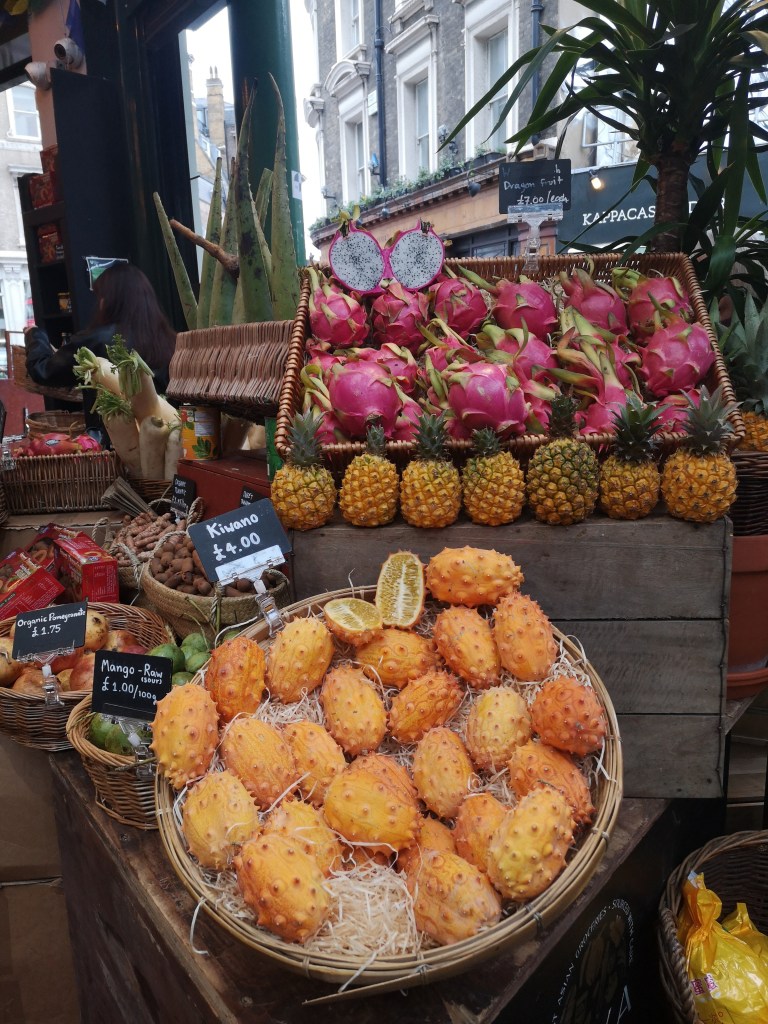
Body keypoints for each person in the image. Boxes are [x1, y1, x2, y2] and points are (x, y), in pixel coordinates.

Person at [24, 262, 176, 394]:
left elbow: (44, 371)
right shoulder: (171, 340)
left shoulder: (96, 341)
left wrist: (35, 335)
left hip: (113, 426)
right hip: (168, 423)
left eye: (100, 296)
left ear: (109, 300)